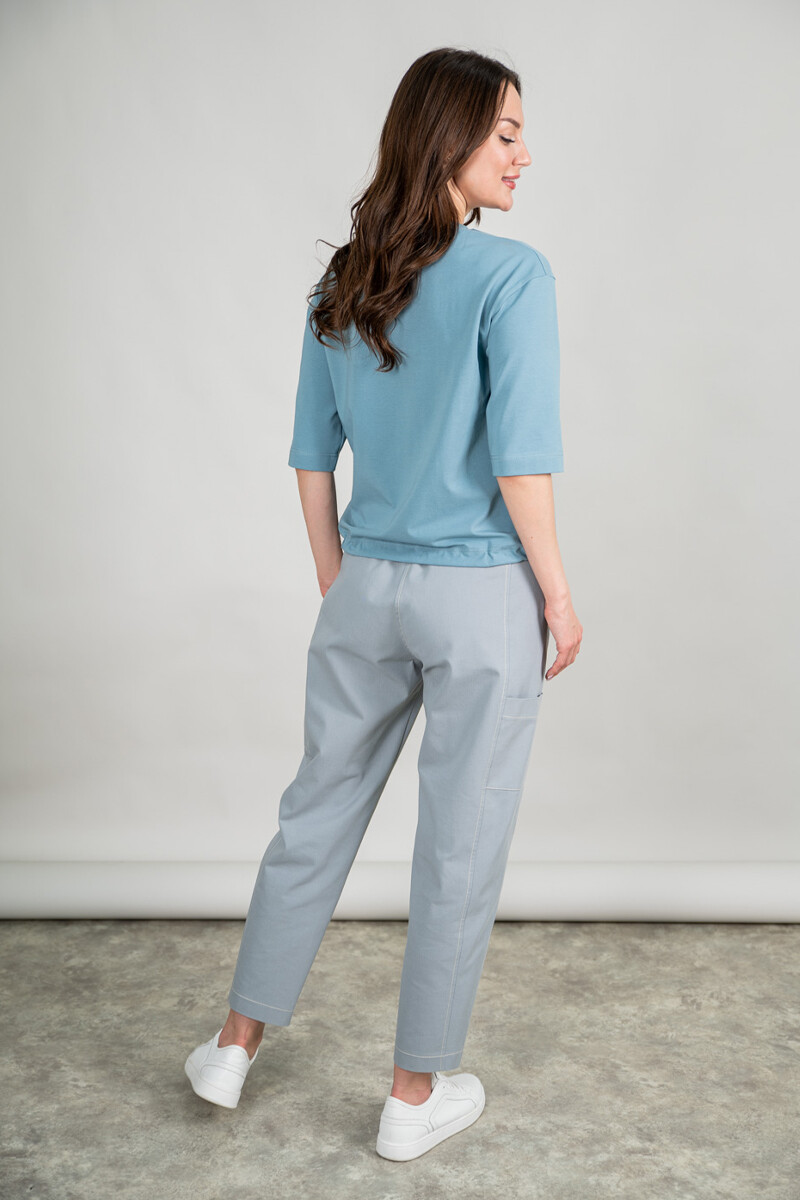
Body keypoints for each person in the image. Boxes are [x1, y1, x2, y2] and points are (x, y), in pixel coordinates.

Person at [184, 46, 582, 1161]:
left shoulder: (344, 283)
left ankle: (233, 1045)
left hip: (366, 587)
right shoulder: (513, 277)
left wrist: (340, 580)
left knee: (314, 813)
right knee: (459, 839)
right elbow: (522, 460)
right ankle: (412, 1098)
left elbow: (311, 459)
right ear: (448, 138)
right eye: (506, 132)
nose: (524, 153)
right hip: (479, 592)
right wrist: (557, 596)